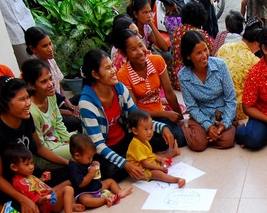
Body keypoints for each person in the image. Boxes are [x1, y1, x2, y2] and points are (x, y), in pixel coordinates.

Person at [78, 49, 177, 184]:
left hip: (126, 139)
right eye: (107, 68)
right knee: (111, 172)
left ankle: (140, 160)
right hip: (106, 148)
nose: (113, 70)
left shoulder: (119, 88)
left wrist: (163, 128)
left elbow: (137, 117)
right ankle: (141, 160)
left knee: (163, 138)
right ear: (95, 74)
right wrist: (125, 164)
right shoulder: (87, 102)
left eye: (112, 65)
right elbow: (99, 145)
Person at [0, 76, 69, 213]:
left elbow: (39, 148)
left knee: (77, 173)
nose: (28, 103)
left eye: (28, 98)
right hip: (12, 188)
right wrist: (23, 200)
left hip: (33, 179)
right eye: (22, 100)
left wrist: (68, 164)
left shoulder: (26, 118)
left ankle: (46, 196)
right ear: (5, 103)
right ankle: (1, 210)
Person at [114, 29, 186, 147]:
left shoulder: (157, 61)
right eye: (133, 49)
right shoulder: (123, 75)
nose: (140, 52)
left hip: (161, 116)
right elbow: (135, 111)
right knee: (154, 141)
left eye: (140, 45)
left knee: (180, 137)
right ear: (124, 53)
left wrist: (180, 119)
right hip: (142, 122)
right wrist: (165, 114)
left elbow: (169, 93)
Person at [178, 30, 238, 151]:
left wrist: (225, 124)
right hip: (202, 115)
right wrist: (208, 126)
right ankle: (194, 131)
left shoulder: (220, 66)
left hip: (222, 114)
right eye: (198, 53)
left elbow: (231, 99)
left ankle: (209, 136)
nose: (204, 55)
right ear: (188, 56)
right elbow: (192, 107)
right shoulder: (183, 76)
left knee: (227, 141)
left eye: (205, 50)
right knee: (197, 145)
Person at [6, 142, 85, 213]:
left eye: (32, 163)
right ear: (14, 167)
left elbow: (34, 186)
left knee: (68, 182)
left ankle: (69, 205)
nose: (31, 167)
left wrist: (41, 179)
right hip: (46, 205)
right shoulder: (20, 182)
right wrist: (47, 197)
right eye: (27, 164)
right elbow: (36, 201)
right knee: (68, 189)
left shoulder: (27, 175)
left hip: (50, 196)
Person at [23, 26, 81, 130]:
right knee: (79, 122)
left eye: (50, 43)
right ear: (33, 48)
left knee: (83, 97)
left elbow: (60, 87)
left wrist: (71, 106)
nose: (50, 49)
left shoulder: (50, 60)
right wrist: (69, 112)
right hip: (52, 111)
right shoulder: (32, 70)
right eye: (45, 46)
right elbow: (48, 106)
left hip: (60, 103)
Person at [20, 58, 73, 160]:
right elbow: (40, 146)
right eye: (44, 82)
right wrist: (63, 145)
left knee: (85, 141)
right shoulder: (32, 112)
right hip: (47, 153)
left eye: (50, 78)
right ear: (31, 85)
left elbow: (58, 122)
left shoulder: (51, 96)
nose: (51, 84)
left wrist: (68, 139)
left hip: (59, 141)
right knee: (82, 150)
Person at [67, 133, 133, 208]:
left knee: (110, 181)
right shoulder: (73, 167)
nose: (91, 160)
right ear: (77, 155)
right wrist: (90, 174)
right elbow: (81, 183)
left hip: (96, 186)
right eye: (89, 158)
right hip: (84, 192)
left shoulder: (83, 160)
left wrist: (94, 164)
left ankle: (119, 192)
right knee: (85, 200)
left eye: (92, 157)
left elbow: (91, 169)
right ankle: (104, 200)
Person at [217, 18, 261, 124]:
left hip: (218, 105)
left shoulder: (224, 48)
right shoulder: (255, 61)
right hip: (240, 110)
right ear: (256, 43)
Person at [126, 109, 185, 187]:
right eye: (146, 129)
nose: (150, 132)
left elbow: (150, 154)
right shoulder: (136, 145)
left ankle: (173, 153)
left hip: (148, 162)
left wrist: (160, 160)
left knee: (162, 159)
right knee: (158, 174)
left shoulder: (143, 139)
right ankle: (177, 180)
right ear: (135, 131)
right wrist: (159, 168)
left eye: (151, 128)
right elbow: (145, 164)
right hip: (142, 170)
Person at [169, 0, 214, 91]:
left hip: (177, 78)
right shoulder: (201, 35)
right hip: (193, 81)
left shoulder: (177, 31)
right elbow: (212, 52)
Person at [128, 0, 173, 64]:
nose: (149, 15)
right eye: (145, 12)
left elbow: (164, 47)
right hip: (137, 60)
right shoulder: (131, 30)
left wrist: (151, 24)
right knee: (157, 58)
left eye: (150, 12)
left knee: (167, 56)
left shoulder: (146, 27)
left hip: (145, 55)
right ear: (135, 14)